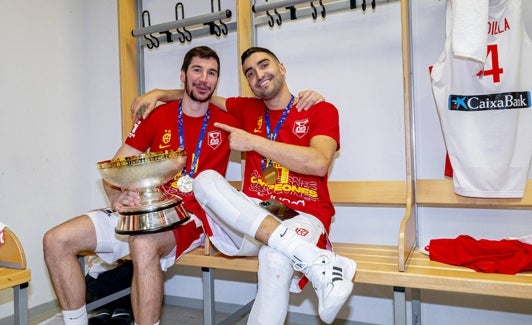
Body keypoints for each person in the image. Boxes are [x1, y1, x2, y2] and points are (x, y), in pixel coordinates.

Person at [43, 45, 322, 325]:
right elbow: (117, 167)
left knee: (142, 244)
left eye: (212, 73)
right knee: (56, 240)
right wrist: (117, 197)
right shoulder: (157, 115)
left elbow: (274, 105)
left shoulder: (230, 119)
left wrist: (312, 97)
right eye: (197, 71)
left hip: (190, 216)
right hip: (144, 209)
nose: (204, 78)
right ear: (183, 75)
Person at [131, 47, 356, 325]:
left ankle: (306, 255)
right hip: (255, 214)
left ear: (282, 67)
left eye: (264, 65)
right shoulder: (247, 109)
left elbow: (319, 162)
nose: (259, 75)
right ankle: (314, 259)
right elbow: (201, 93)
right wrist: (160, 93)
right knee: (205, 181)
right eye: (250, 73)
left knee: (275, 258)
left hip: (300, 215)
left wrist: (252, 142)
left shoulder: (320, 109)